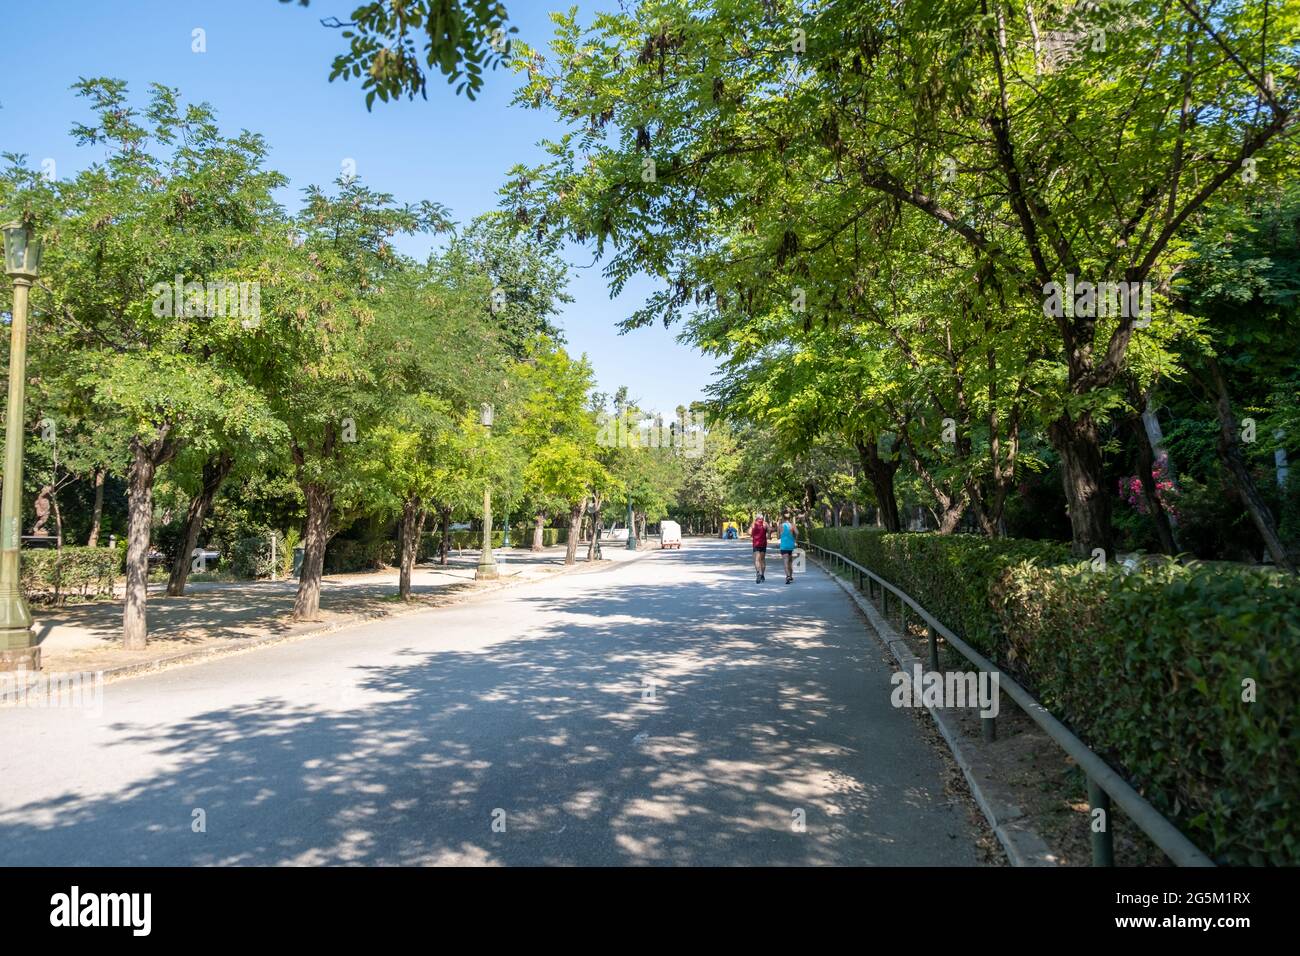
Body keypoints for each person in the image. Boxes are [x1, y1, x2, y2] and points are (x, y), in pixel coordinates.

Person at [778, 512, 798, 584]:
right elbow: (797, 533)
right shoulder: (792, 525)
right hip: (791, 546)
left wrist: (781, 535)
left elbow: (778, 536)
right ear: (789, 518)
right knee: (790, 561)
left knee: (785, 562)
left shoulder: (780, 526)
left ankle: (788, 576)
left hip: (783, 546)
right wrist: (795, 539)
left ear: (783, 518)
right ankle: (791, 576)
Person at [750, 515, 768, 583]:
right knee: (762, 560)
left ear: (756, 518)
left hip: (756, 544)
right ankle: (762, 575)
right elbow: (769, 530)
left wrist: (752, 534)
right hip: (763, 544)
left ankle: (758, 573)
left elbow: (749, 532)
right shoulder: (765, 524)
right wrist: (768, 536)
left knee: (757, 560)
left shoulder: (753, 524)